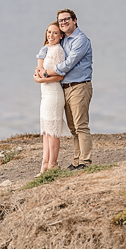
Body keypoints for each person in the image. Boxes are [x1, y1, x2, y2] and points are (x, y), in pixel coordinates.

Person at [35, 9, 93, 169]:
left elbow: (68, 64)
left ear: (75, 20)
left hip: (80, 86)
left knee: (81, 125)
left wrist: (45, 73)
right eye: (61, 21)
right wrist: (38, 70)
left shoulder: (80, 40)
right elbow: (47, 48)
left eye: (67, 19)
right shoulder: (65, 40)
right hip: (65, 88)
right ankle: (76, 161)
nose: (64, 22)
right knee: (73, 127)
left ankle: (85, 162)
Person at [33, 22, 68, 175]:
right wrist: (40, 76)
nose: (51, 36)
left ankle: (53, 164)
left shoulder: (58, 51)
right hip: (45, 95)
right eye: (49, 32)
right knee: (46, 131)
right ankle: (44, 166)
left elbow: (60, 75)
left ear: (61, 35)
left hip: (54, 94)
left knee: (53, 131)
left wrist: (42, 79)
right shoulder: (47, 50)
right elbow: (40, 70)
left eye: (55, 33)